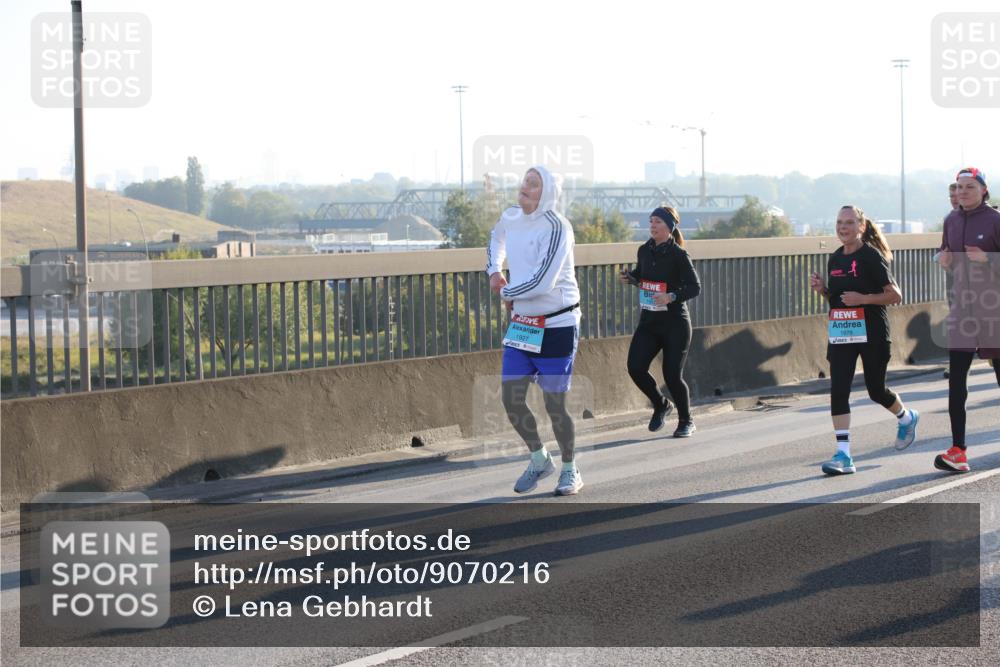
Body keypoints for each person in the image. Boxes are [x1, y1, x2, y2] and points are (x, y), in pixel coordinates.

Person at [487, 165, 583, 496]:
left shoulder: (558, 227)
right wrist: (494, 270)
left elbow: (544, 281)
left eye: (534, 183)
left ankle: (570, 469)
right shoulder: (511, 216)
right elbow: (495, 238)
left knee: (555, 405)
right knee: (511, 399)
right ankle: (540, 458)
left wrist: (508, 292)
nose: (525, 186)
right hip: (523, 325)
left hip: (557, 323)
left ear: (548, 193)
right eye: (525, 180)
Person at [809, 205, 919, 475]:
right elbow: (837, 299)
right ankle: (844, 455)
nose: (842, 227)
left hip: (872, 332)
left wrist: (864, 299)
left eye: (849, 223)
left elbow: (895, 295)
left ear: (861, 226)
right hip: (842, 332)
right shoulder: (835, 258)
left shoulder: (871, 256)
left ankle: (906, 417)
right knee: (839, 390)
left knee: (876, 391)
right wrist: (823, 290)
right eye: (839, 222)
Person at [935, 167, 1000, 473]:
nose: (962, 192)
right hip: (963, 312)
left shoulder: (996, 220)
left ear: (983, 190)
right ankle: (958, 451)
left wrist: (988, 258)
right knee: (957, 383)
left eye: (969, 186)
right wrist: (945, 261)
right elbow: (947, 259)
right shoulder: (951, 220)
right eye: (959, 187)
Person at [618, 206, 701, 437]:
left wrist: (671, 296)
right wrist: (631, 278)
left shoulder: (679, 255)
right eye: (651, 221)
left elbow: (695, 287)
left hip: (675, 324)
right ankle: (661, 404)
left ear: (669, 227)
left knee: (672, 376)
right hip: (650, 322)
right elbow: (642, 276)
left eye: (658, 222)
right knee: (635, 367)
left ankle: (686, 421)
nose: (653, 226)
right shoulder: (644, 250)